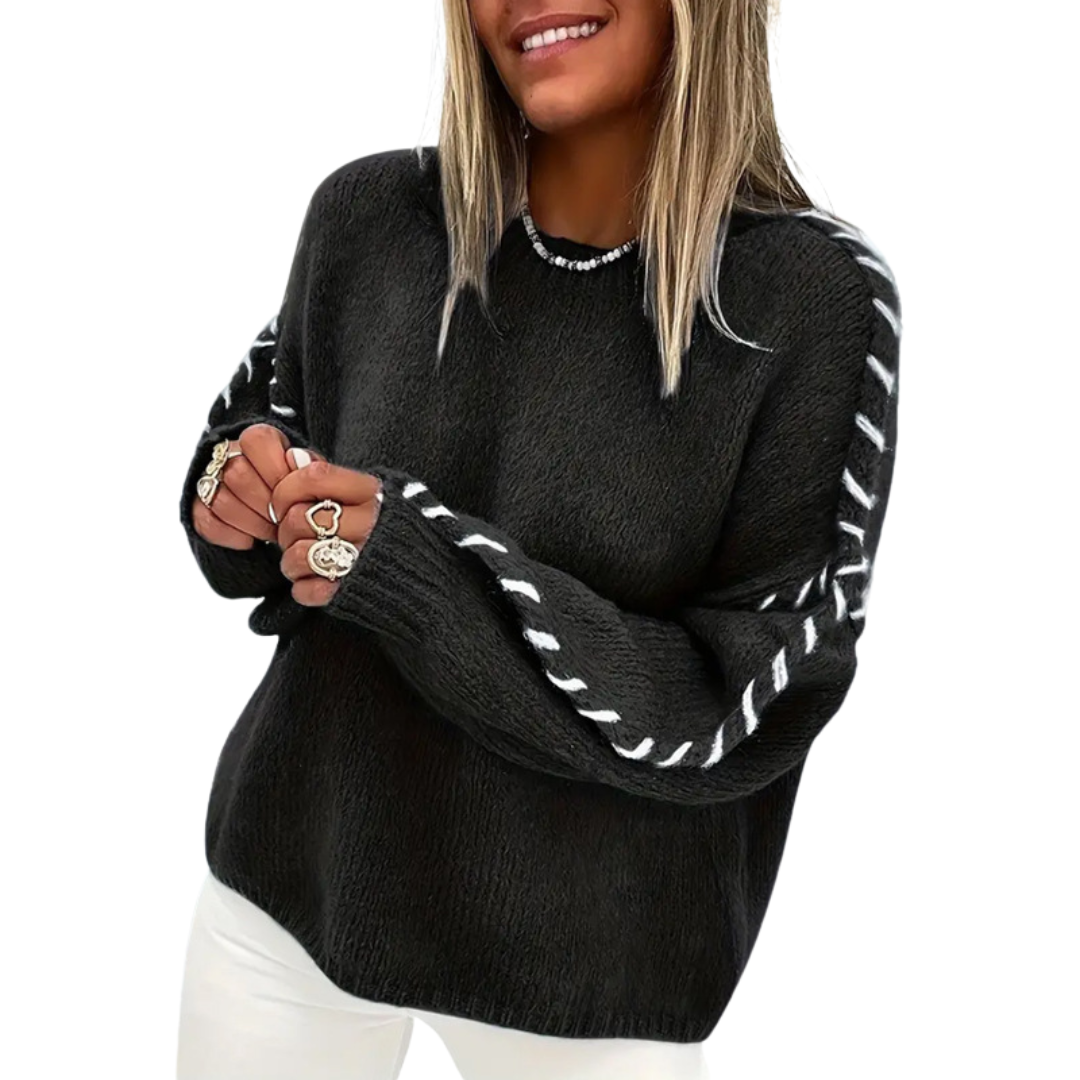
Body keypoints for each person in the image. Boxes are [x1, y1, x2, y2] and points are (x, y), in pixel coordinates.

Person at [175, 1, 902, 1077]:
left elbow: (741, 704)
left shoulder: (809, 299)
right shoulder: (368, 216)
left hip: (593, 985)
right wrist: (236, 495)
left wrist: (412, 573)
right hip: (282, 903)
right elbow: (261, 435)